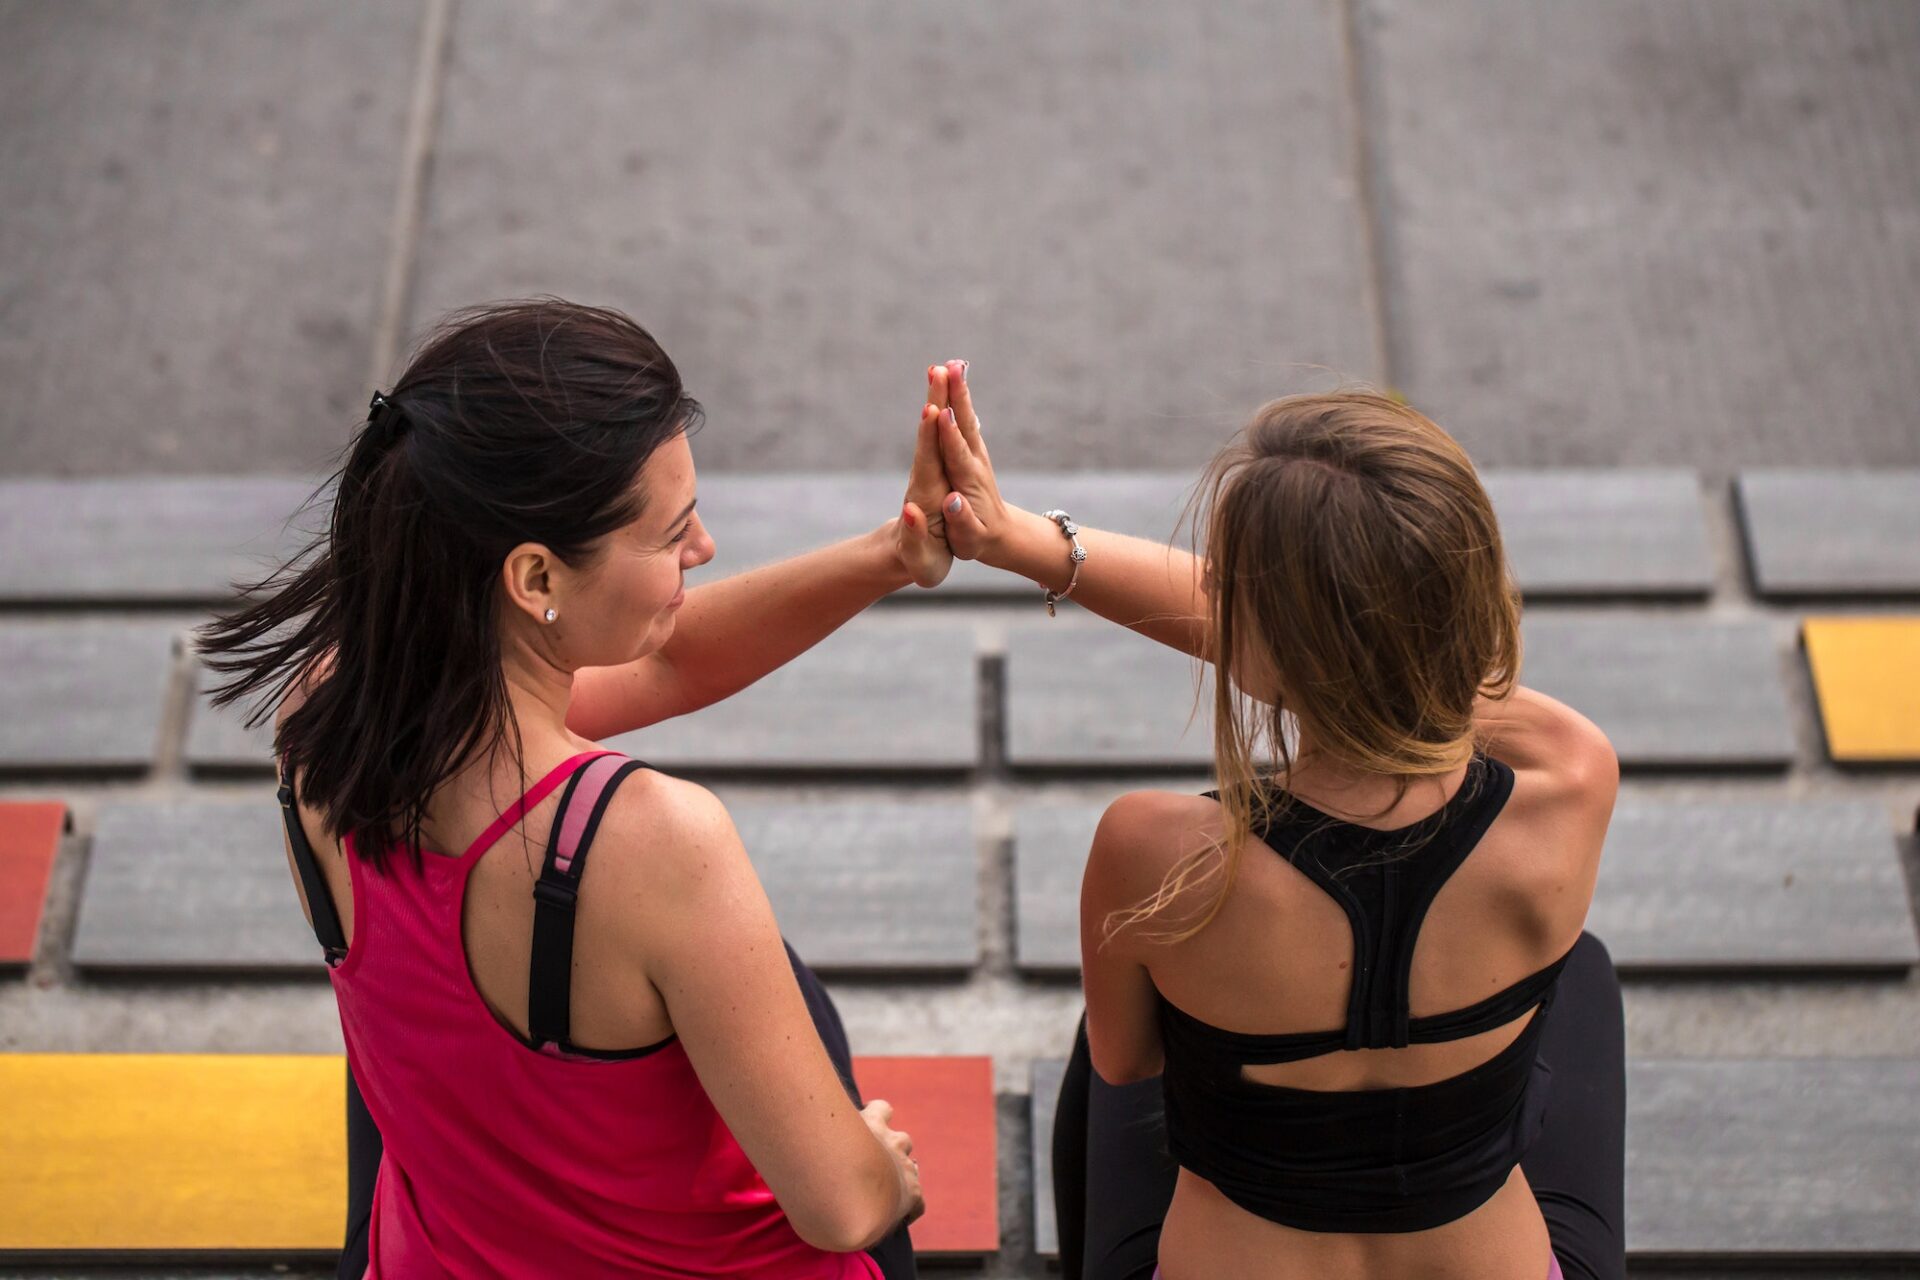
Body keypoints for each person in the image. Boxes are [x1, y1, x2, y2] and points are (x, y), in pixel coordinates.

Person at [197, 300, 968, 1279]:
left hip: (435, 1253)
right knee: (786, 1002)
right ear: (534, 576)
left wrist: (893, 555)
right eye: (673, 532)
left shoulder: (324, 718)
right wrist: (887, 1173)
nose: (705, 550)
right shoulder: (648, 843)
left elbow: (672, 657)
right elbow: (840, 1205)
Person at [924, 366, 1626, 1280]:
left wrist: (1028, 546)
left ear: (1254, 643)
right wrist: (1028, 542)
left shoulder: (1156, 854)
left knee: (1114, 1046)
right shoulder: (1572, 777)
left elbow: (1129, 1064)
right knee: (1584, 974)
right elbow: (1408, 669)